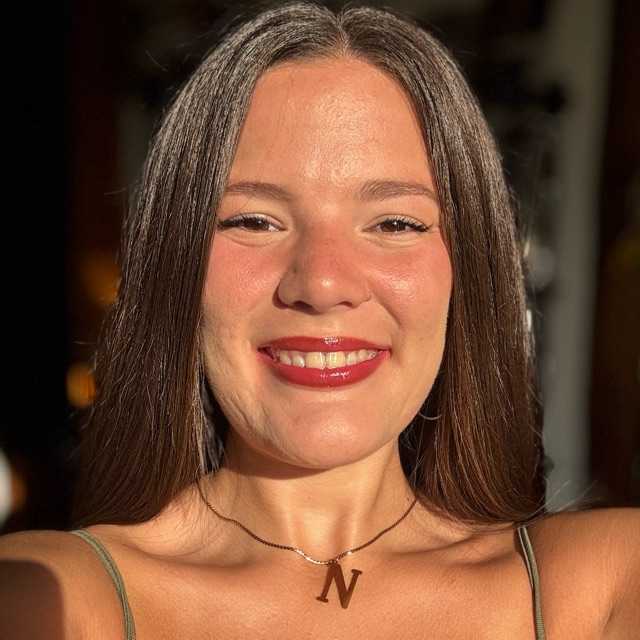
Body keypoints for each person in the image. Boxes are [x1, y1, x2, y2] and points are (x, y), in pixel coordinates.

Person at [1, 2, 638, 638]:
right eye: (255, 221)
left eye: (394, 223)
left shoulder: (609, 585)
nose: (323, 284)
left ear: (467, 271)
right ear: (177, 266)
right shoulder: (44, 596)